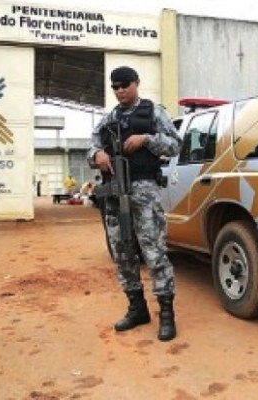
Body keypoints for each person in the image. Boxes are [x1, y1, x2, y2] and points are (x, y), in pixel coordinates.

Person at [87, 66, 182, 341]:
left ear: (136, 83)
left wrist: (147, 139)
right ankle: (137, 308)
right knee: (123, 252)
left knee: (153, 251)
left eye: (125, 85)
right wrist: (98, 155)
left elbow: (176, 144)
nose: (120, 91)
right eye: (115, 87)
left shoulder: (153, 112)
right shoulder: (108, 120)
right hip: (115, 193)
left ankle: (166, 313)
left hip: (144, 191)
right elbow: (90, 147)